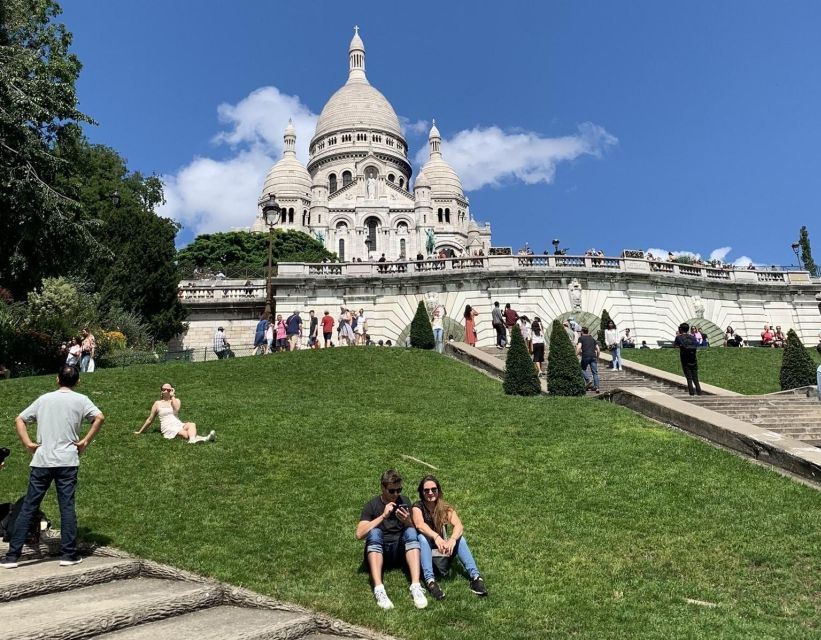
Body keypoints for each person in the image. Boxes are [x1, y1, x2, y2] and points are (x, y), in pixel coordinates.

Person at [0, 365, 105, 569]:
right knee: (66, 506)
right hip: (67, 460)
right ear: (78, 382)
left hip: (42, 460)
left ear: (57, 379)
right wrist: (84, 441)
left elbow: (19, 419)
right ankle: (68, 554)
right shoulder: (81, 400)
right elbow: (99, 417)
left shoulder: (44, 400)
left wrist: (28, 443)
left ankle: (12, 556)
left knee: (29, 506)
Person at [355, 469, 428, 610]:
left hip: (399, 552)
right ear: (382, 488)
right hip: (379, 550)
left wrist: (407, 521)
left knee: (411, 531)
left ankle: (416, 586)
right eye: (392, 491)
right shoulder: (372, 505)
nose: (396, 494)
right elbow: (359, 534)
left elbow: (415, 530)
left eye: (399, 490)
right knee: (375, 533)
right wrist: (383, 516)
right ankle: (379, 589)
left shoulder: (404, 501)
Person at [411, 475, 488, 601]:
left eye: (433, 489)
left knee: (460, 539)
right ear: (421, 492)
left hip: (443, 550)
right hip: (427, 550)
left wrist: (452, 540)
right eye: (426, 490)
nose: (430, 493)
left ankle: (476, 577)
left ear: (438, 490)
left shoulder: (445, 507)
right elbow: (420, 525)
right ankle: (430, 581)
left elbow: (458, 525)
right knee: (422, 538)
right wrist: (436, 537)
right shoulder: (417, 507)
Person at [135, 383, 215, 443]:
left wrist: (172, 396)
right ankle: (205, 438)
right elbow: (150, 419)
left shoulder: (176, 400)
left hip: (178, 424)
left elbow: (176, 409)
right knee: (186, 434)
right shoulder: (157, 403)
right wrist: (140, 431)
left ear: (171, 391)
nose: (166, 391)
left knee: (192, 424)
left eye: (168, 390)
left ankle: (193, 440)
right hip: (167, 427)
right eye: (164, 389)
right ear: (161, 391)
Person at [675, 322, 701, 396]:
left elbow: (675, 346)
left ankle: (692, 394)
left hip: (685, 360)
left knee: (689, 378)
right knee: (695, 378)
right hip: (693, 359)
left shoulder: (679, 337)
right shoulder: (692, 337)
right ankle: (699, 393)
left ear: (680, 329)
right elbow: (696, 345)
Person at [576, 327, 600, 393]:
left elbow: (579, 348)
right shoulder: (592, 339)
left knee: (581, 368)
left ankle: (588, 380)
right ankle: (597, 387)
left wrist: (575, 355)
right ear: (588, 331)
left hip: (586, 356)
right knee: (595, 372)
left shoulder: (581, 338)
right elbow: (598, 349)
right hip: (593, 356)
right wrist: (597, 357)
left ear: (582, 332)